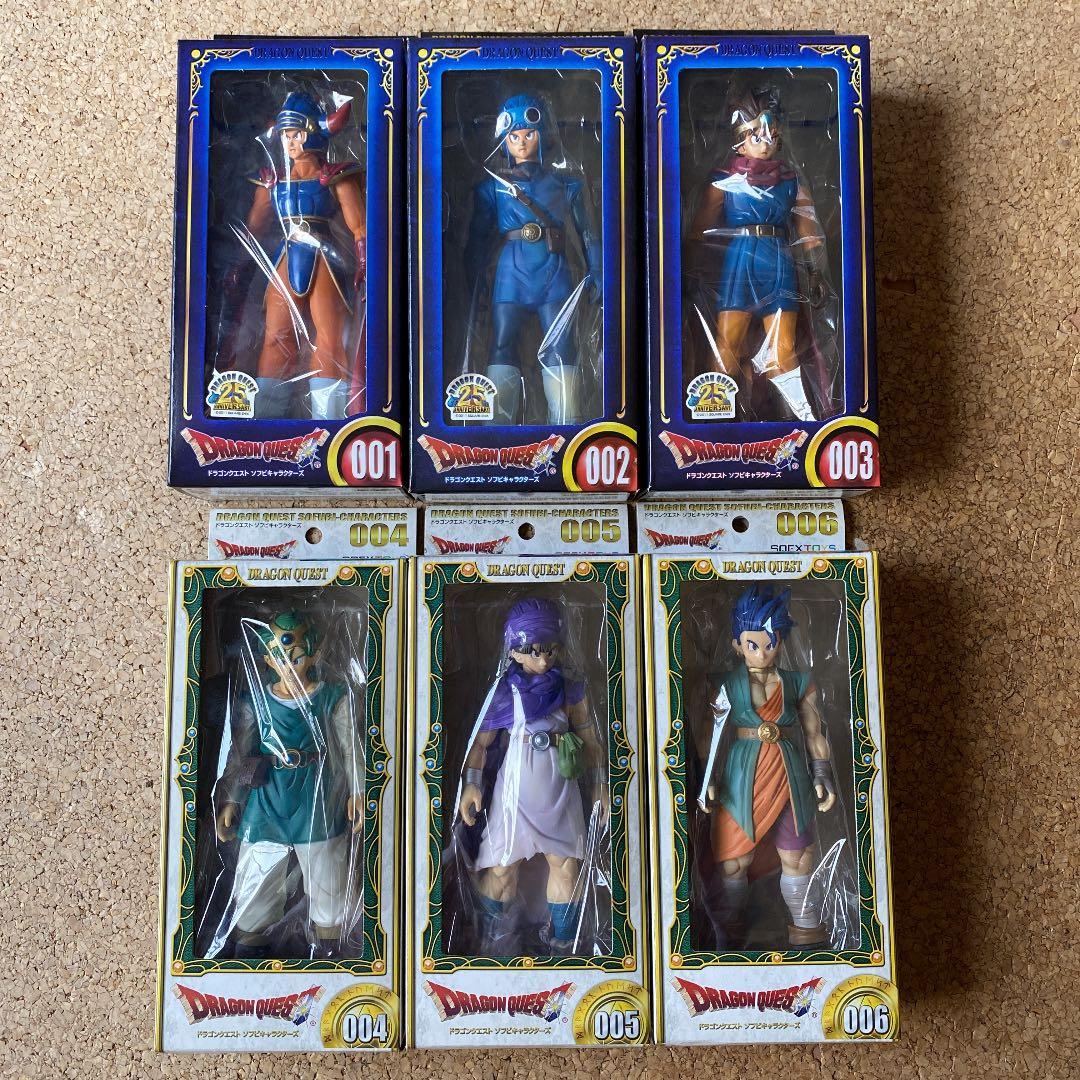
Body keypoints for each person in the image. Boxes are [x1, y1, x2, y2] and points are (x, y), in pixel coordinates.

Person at [456, 598, 608, 953]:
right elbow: (480, 744)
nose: (543, 661)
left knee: (566, 866)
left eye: (550, 650)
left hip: (559, 784)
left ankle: (565, 946)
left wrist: (600, 785)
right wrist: (472, 784)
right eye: (533, 651)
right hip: (515, 788)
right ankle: (489, 942)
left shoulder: (570, 690)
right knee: (501, 866)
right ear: (514, 650)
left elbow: (591, 742)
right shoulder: (503, 692)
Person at [212, 610, 363, 959]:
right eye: (280, 659)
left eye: (296, 658)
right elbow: (240, 753)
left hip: (316, 796)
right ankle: (250, 954)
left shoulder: (332, 696)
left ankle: (330, 951)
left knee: (329, 882)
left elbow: (350, 746)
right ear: (267, 660)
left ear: (314, 654)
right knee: (256, 883)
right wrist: (232, 800)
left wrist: (357, 790)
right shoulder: (257, 700)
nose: (290, 666)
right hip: (267, 798)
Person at [699, 585, 837, 947]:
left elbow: (814, 732)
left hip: (790, 775)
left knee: (798, 856)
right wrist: (708, 778)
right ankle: (727, 936)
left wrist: (822, 773)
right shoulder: (726, 685)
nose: (761, 652)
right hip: (741, 777)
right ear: (736, 644)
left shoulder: (798, 683)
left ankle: (807, 932)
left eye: (770, 643)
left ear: (781, 642)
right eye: (752, 645)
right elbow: (711, 735)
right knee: (733, 861)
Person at [463, 95, 602, 425]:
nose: (522, 142)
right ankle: (497, 426)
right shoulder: (492, 188)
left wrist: (598, 268)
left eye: (529, 134)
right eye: (514, 136)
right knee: (502, 343)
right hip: (510, 274)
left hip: (555, 273)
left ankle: (567, 423)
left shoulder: (566, 184)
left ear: (543, 134)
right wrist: (473, 275)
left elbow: (589, 233)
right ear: (504, 140)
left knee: (561, 347)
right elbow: (478, 238)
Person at [688, 89, 825, 421]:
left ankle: (799, 421)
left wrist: (816, 272)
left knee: (783, 351)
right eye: (755, 135)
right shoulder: (723, 181)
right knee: (726, 345)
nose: (765, 143)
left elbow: (808, 231)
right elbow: (699, 229)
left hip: (778, 262)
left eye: (771, 135)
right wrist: (688, 269)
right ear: (740, 141)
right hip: (739, 261)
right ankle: (714, 420)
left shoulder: (791, 182)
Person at [242, 91, 367, 420]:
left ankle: (329, 420)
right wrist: (238, 264)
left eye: (296, 133)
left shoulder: (335, 176)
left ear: (313, 133)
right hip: (285, 255)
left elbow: (360, 227)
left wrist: (364, 262)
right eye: (286, 134)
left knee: (329, 338)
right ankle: (265, 421)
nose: (290, 141)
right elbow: (253, 227)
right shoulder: (273, 180)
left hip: (323, 256)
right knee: (275, 336)